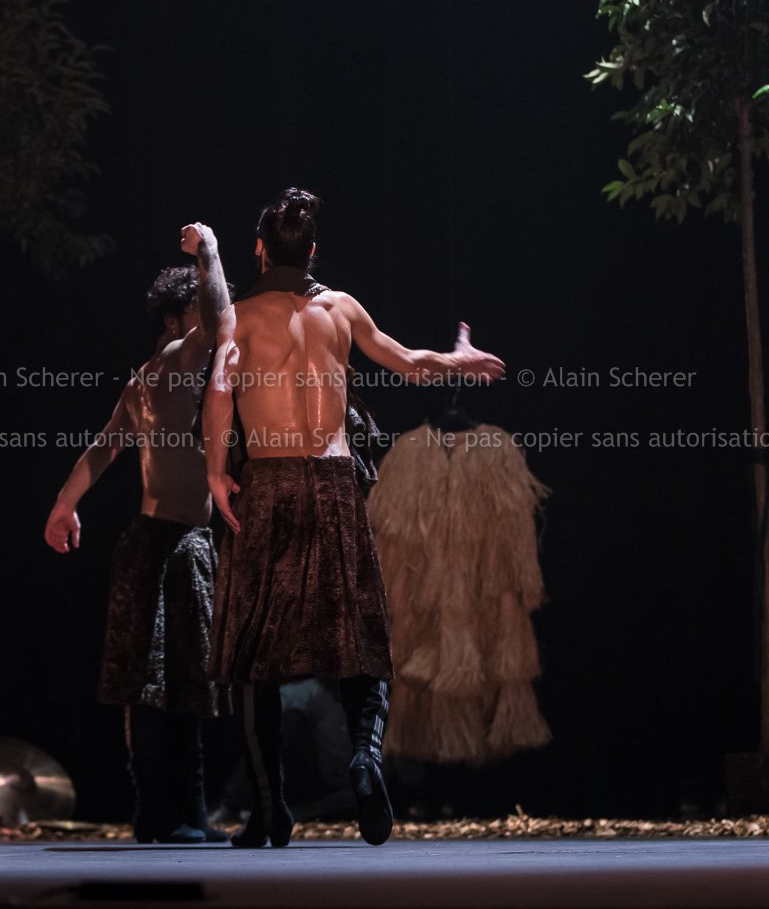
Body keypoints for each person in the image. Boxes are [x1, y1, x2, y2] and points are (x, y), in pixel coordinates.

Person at [202, 187, 505, 847]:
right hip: (335, 483)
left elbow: (220, 391)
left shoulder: (240, 317)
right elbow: (410, 365)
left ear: (260, 250)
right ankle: (365, 758)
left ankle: (269, 809)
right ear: (312, 250)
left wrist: (217, 474)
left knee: (255, 654)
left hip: (270, 484)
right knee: (359, 638)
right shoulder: (341, 308)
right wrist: (460, 357)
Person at [44, 224, 230, 844]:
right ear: (175, 320)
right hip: (168, 544)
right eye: (192, 314)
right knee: (161, 688)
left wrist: (64, 506)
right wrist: (208, 251)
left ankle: (179, 814)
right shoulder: (177, 361)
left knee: (175, 685)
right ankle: (166, 815)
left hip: (167, 542)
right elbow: (218, 319)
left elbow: (102, 451)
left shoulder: (143, 378)